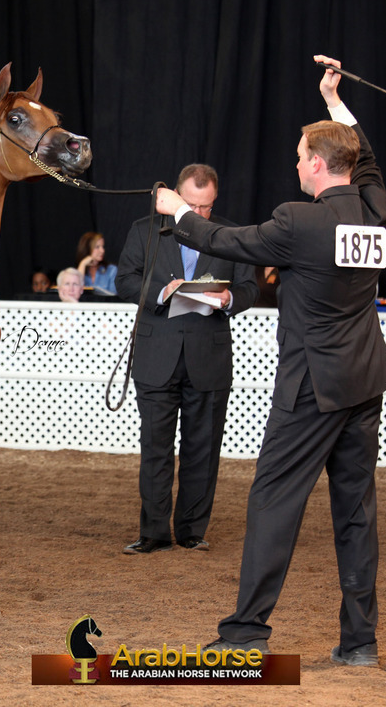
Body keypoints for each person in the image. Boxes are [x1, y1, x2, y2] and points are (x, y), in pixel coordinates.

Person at [157, 56, 386, 667]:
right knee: (356, 511)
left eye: (299, 154)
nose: (294, 162)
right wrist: (335, 102)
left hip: (313, 386)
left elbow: (221, 241)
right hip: (365, 379)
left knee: (273, 502)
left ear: (316, 164)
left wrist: (175, 211)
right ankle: (360, 641)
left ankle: (244, 634)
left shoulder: (299, 221)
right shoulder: (374, 211)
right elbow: (363, 161)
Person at [116, 163, 257, 557]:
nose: (199, 214)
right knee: (155, 448)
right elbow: (125, 280)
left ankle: (192, 531)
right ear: (176, 197)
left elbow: (250, 286)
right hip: (156, 354)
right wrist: (162, 292)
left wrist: (230, 300)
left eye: (207, 207)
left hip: (207, 358)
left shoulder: (230, 235)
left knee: (203, 448)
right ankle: (154, 532)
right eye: (192, 204)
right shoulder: (145, 230)